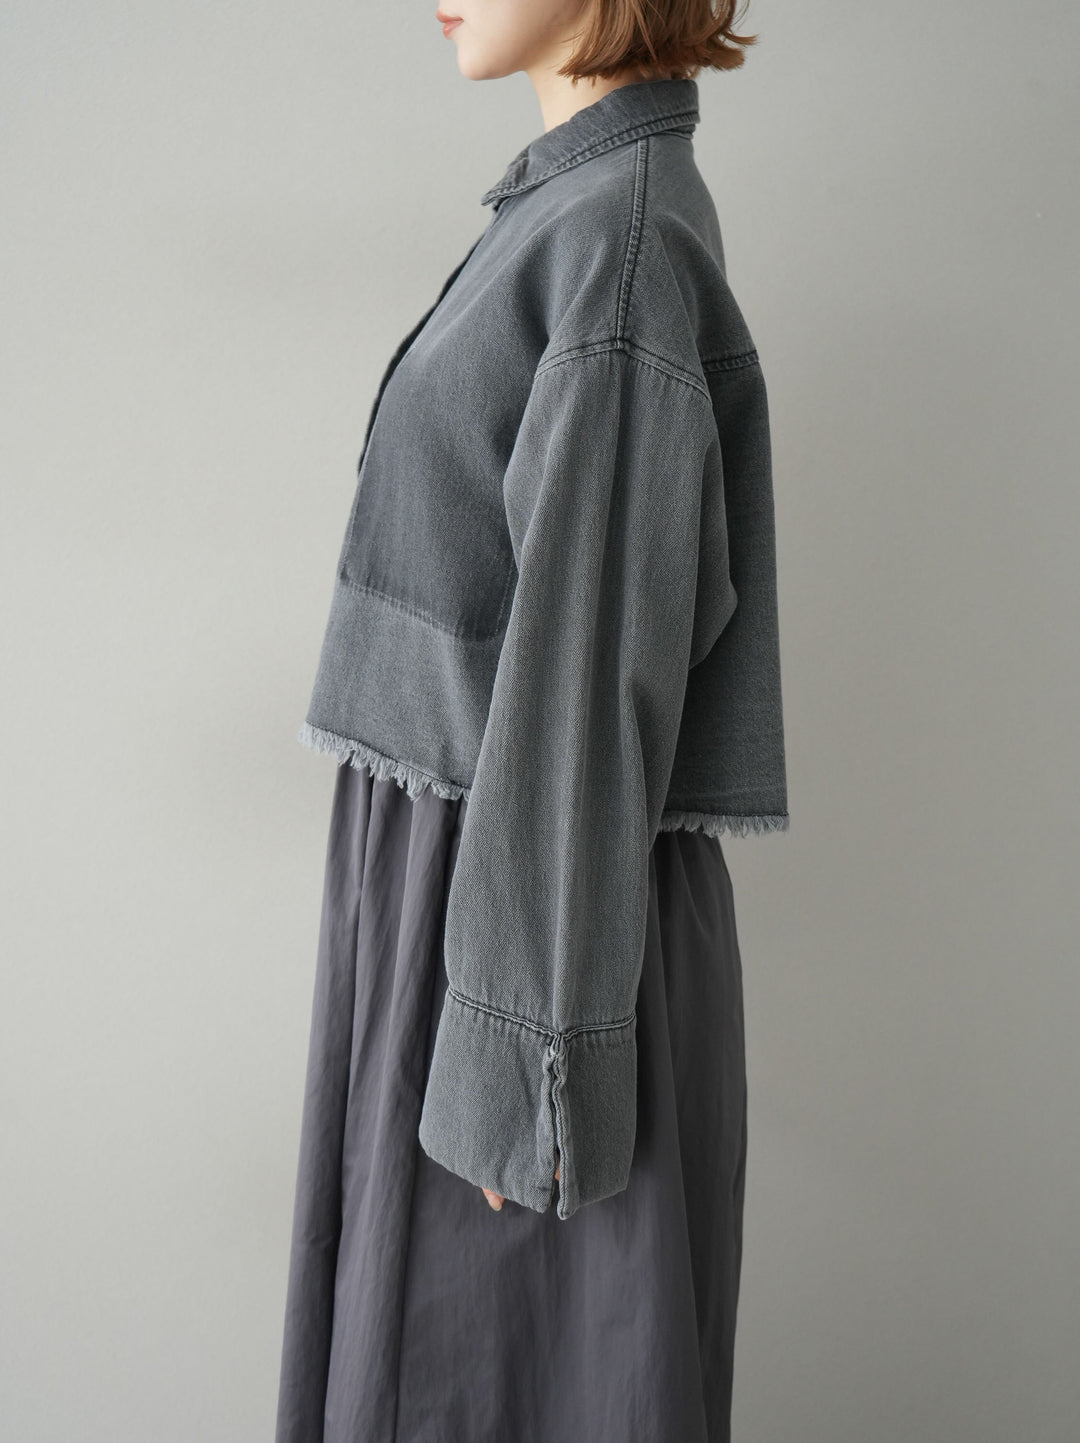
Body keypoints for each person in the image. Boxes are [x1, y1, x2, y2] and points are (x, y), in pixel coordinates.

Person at [275, 2, 788, 1439]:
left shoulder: (616, 244)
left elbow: (590, 663)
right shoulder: (575, 213)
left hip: (532, 929)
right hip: (490, 897)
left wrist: (526, 1054)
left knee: (500, 1379)